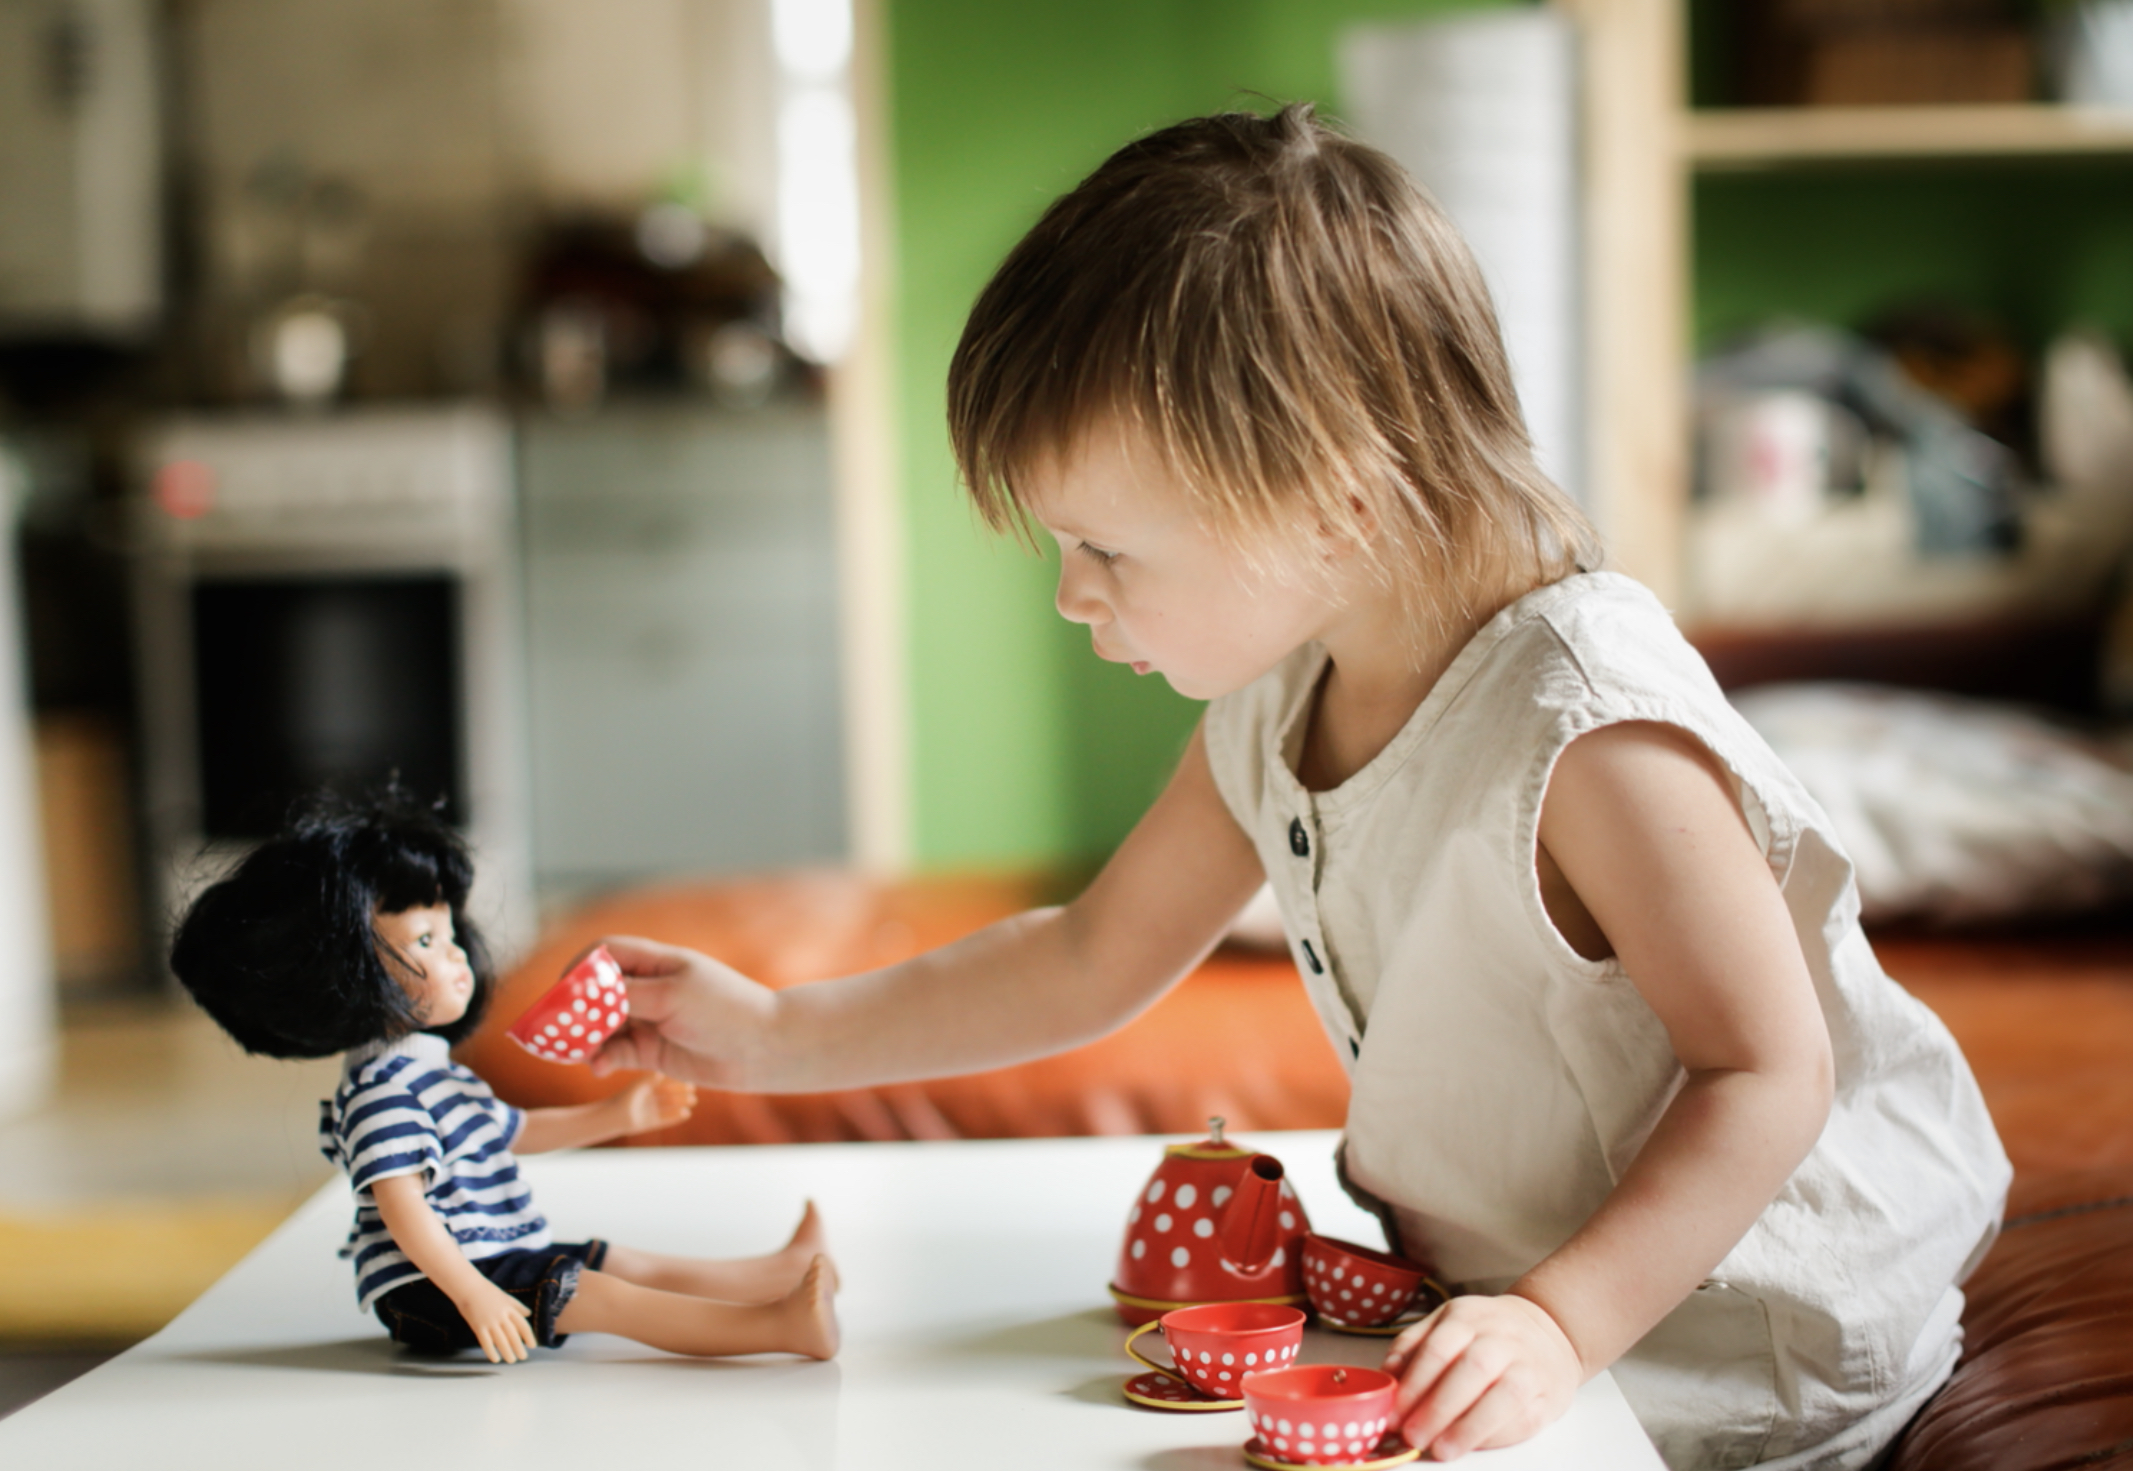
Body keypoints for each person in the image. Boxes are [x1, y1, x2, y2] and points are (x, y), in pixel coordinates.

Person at [588, 106, 2008, 1468]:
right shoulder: (1285, 681)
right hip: (1515, 1318)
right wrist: (775, 1032)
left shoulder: (1585, 726)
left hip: (1744, 1350)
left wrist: (1558, 1321)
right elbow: (1093, 950)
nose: (1076, 598)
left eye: (1107, 549)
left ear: (1329, 500)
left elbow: (1769, 1068)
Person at [169, 788, 839, 1364]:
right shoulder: (381, 1096)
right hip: (426, 1292)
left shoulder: (432, 1075)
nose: (457, 951)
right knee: (600, 1293)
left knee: (617, 1259)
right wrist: (473, 1293)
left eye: (448, 929)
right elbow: (404, 1213)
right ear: (344, 979)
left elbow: (513, 1132)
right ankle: (775, 1325)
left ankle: (776, 1273)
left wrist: (616, 1116)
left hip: (491, 1257)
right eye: (424, 941)